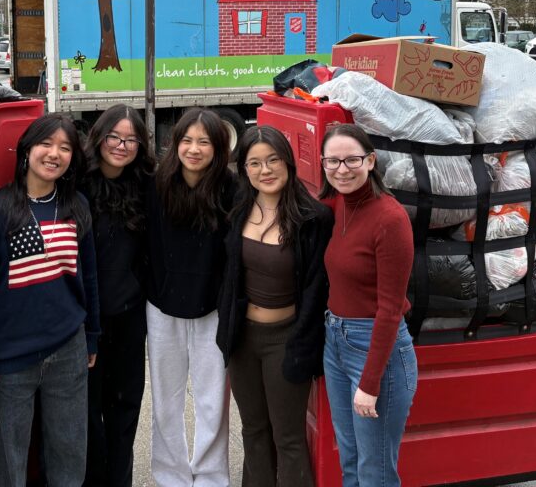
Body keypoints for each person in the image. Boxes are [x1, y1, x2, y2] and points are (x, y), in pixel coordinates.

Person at [0, 113, 100, 487]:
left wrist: (91, 335)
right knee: (6, 459)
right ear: (27, 150)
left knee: (69, 452)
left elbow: (89, 275)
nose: (54, 154)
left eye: (65, 148)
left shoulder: (76, 205)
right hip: (10, 355)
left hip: (68, 348)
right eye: (47, 144)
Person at [217, 126, 332, 486]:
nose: (265, 170)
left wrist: (305, 344)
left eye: (272, 160)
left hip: (288, 340)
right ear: (244, 169)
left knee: (288, 437)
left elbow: (317, 291)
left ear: (288, 162)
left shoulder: (314, 218)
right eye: (254, 163)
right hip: (242, 340)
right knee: (253, 430)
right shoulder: (235, 211)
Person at [319, 123, 417, 486]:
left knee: (374, 471)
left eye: (352, 160)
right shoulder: (337, 203)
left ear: (371, 161)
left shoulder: (390, 219)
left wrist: (370, 383)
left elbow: (391, 310)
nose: (342, 169)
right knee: (351, 461)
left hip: (377, 351)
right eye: (333, 161)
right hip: (335, 342)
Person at [146, 107, 235, 487]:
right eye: (186, 140)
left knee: (212, 398)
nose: (194, 149)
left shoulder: (233, 189)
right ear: (174, 143)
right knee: (165, 398)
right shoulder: (156, 184)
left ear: (218, 148)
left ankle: (211, 477)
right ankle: (171, 476)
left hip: (214, 307)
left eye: (204, 141)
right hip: (161, 303)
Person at [81, 105, 154, 487]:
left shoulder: (148, 186)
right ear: (100, 136)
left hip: (129, 316)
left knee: (125, 408)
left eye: (131, 139)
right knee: (88, 412)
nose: (122, 146)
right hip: (85, 321)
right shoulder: (76, 183)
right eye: (114, 137)